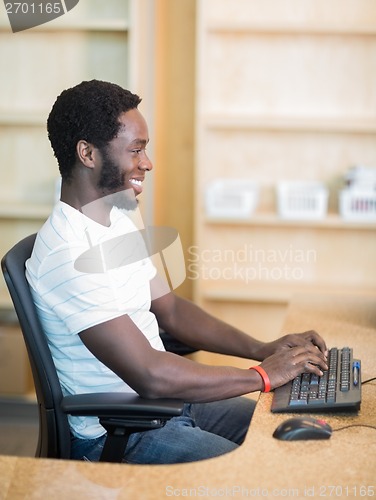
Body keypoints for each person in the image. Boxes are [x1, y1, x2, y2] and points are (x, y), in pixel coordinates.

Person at [26, 80, 328, 464]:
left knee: (295, 437)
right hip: (122, 432)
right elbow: (150, 374)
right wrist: (263, 376)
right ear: (87, 153)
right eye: (136, 150)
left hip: (167, 404)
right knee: (263, 471)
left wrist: (262, 348)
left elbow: (169, 309)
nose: (147, 162)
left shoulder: (117, 213)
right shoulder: (68, 254)